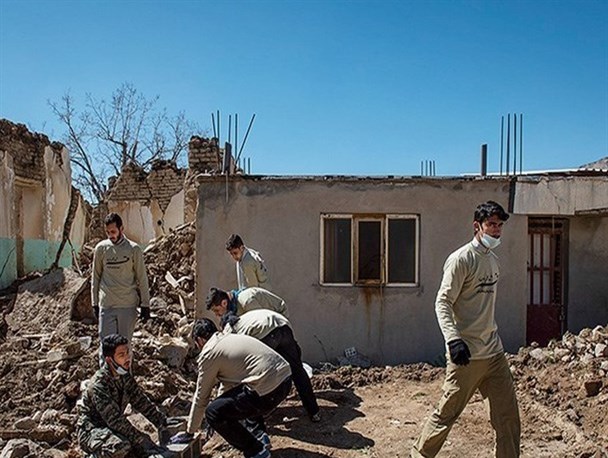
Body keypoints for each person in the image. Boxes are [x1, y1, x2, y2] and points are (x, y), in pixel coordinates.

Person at [411, 201, 520, 458]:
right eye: (491, 224)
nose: (496, 230)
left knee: (508, 417)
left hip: (494, 353)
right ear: (477, 226)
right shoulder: (461, 260)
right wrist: (453, 340)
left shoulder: (493, 261)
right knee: (446, 414)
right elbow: (442, 301)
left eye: (500, 225)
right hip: (466, 356)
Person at [171, 319, 292, 458]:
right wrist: (220, 406)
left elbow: (201, 396)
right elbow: (228, 387)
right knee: (244, 392)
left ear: (200, 340)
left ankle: (256, 450)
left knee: (213, 412)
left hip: (268, 389)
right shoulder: (229, 338)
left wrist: (190, 431)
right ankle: (259, 437)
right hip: (285, 381)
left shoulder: (209, 352)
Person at [76, 334, 171, 457]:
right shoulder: (98, 386)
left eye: (127, 353)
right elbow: (115, 420)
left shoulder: (124, 375)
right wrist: (141, 439)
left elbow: (141, 401)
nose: (127, 358)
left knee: (137, 449)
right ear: (109, 360)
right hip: (92, 431)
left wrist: (161, 421)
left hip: (110, 429)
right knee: (121, 446)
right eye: (121, 355)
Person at [221, 309, 321, 422]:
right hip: (283, 327)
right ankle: (314, 412)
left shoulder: (228, 331)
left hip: (267, 333)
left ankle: (261, 413)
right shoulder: (246, 318)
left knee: (260, 373)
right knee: (297, 371)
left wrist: (221, 398)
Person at [92, 213, 151, 364]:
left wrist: (145, 304)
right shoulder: (101, 249)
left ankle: (125, 382)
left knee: (124, 349)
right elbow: (96, 277)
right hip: (107, 306)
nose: (111, 235)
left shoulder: (133, 250)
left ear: (121, 229)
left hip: (127, 306)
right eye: (108, 232)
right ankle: (106, 382)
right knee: (106, 348)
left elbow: (142, 278)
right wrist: (95, 303)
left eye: (113, 231)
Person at [206, 286, 288, 318]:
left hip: (279, 319)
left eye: (216, 311)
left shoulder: (246, 301)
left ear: (224, 303)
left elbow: (260, 321)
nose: (217, 315)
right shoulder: (234, 308)